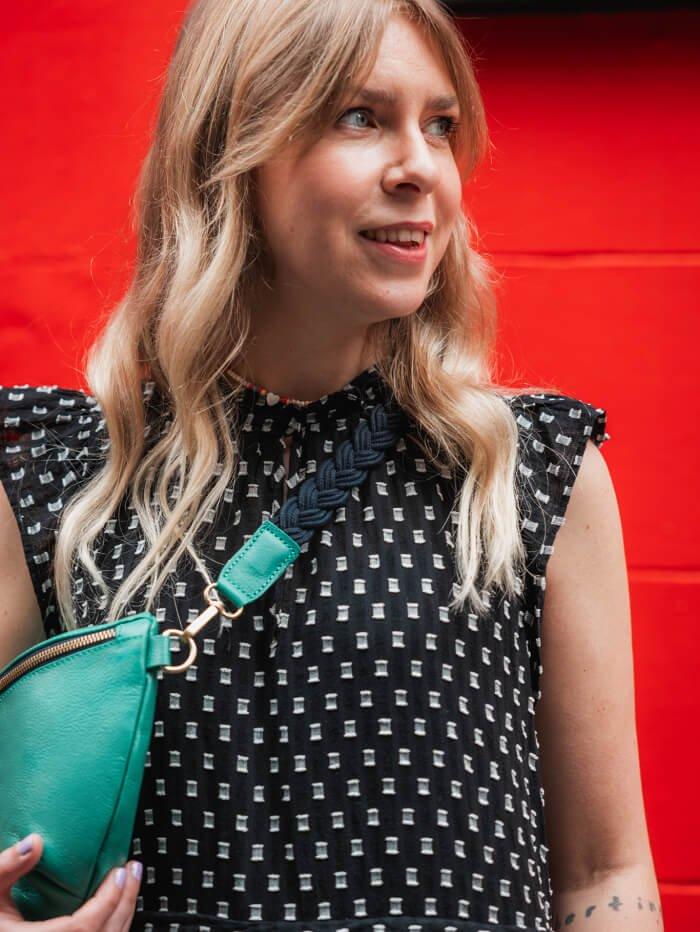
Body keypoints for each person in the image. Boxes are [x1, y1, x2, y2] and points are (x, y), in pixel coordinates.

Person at [0, 1, 663, 930]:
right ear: (232, 150)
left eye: (439, 125)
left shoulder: (527, 473)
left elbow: (604, 875)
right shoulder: (54, 479)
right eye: (361, 117)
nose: (420, 167)